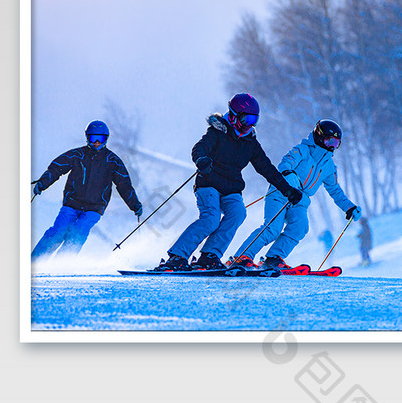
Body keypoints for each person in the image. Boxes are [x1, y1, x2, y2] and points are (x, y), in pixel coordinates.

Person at [154, 95, 303, 272]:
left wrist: (287, 190)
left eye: (254, 120)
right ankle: (177, 256)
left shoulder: (250, 142)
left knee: (238, 213)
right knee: (211, 219)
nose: (250, 124)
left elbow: (266, 168)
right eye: (246, 119)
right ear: (234, 116)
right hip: (208, 182)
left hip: (231, 188)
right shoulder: (217, 132)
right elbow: (199, 148)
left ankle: (209, 256)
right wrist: (202, 160)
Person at [229, 120, 361, 271]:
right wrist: (288, 174)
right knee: (273, 228)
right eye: (330, 140)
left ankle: (273, 258)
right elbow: (286, 163)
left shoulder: (329, 165)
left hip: (300, 200)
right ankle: (242, 257)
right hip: (281, 192)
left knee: (300, 227)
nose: (332, 146)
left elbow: (335, 190)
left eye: (337, 143)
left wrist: (349, 207)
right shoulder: (302, 150)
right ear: (319, 136)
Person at [31, 121, 143, 261]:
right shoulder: (77, 155)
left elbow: (124, 185)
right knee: (58, 232)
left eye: (100, 138)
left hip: (94, 207)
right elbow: (56, 169)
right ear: (87, 138)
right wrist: (42, 183)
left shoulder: (112, 161)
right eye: (93, 138)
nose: (96, 142)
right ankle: (34, 262)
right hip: (72, 203)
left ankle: (61, 264)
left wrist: (135, 204)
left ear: (106, 139)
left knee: (78, 234)